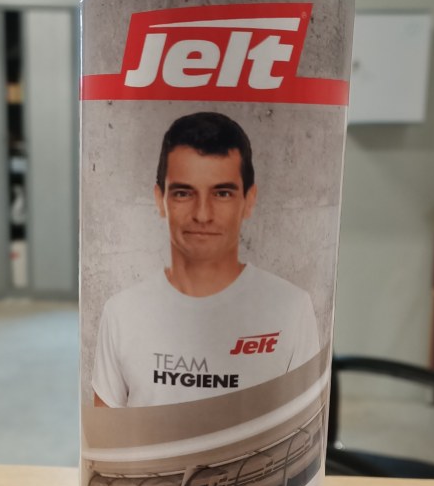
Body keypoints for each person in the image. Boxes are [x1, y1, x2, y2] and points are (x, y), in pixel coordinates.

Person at [92, 111, 320, 408]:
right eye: (183, 193)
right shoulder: (121, 312)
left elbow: (305, 430)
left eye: (222, 193)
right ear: (160, 200)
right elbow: (106, 435)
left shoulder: (292, 308)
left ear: (248, 201)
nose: (202, 214)